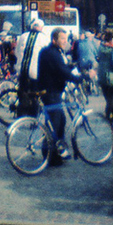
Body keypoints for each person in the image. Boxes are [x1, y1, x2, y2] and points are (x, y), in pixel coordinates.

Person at [36, 28, 75, 165]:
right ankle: (51, 156)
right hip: (51, 92)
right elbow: (62, 71)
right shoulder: (53, 53)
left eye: (66, 38)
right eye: (62, 38)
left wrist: (71, 68)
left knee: (60, 121)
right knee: (55, 123)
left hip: (51, 91)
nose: (65, 41)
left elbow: (60, 68)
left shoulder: (52, 51)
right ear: (54, 40)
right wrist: (79, 78)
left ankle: (56, 152)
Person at [14, 18, 50, 116]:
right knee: (35, 93)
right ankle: (33, 116)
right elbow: (47, 54)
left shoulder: (23, 36)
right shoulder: (44, 38)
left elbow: (17, 52)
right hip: (35, 71)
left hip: (22, 70)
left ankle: (21, 115)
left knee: (22, 92)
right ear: (41, 28)